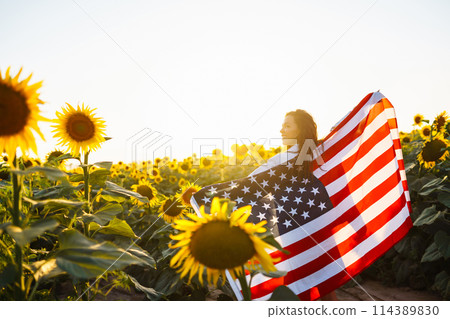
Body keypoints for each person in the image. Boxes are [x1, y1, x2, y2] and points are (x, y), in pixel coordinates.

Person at [279, 109, 338, 301]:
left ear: (300, 130)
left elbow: (246, 183)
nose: (281, 130)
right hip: (310, 230)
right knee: (325, 288)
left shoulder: (316, 153)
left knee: (301, 290)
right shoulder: (320, 152)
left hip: (300, 231)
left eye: (287, 126)